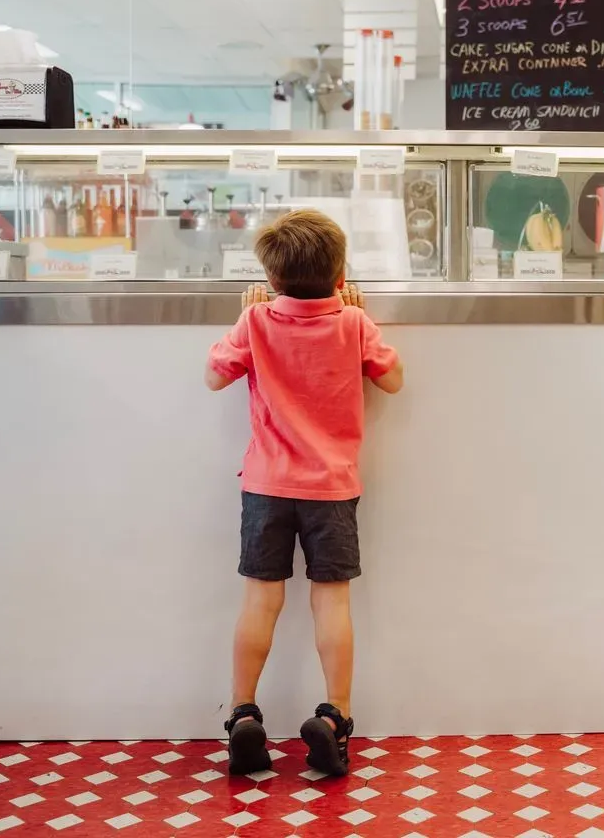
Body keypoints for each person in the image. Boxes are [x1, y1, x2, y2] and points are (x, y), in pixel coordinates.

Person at [204, 208, 404, 778]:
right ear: (341, 276)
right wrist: (358, 318)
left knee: (260, 601)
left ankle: (243, 714)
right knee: (331, 601)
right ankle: (335, 717)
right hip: (332, 489)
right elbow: (392, 380)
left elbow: (214, 376)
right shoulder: (353, 323)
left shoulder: (256, 321)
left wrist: (245, 318)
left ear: (271, 280)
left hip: (266, 486)